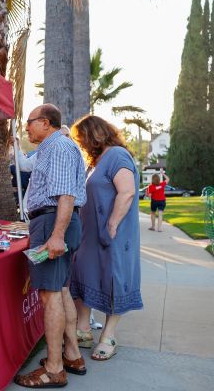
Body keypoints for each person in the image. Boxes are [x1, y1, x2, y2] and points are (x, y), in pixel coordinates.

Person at [14, 104, 87, 388]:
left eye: (30, 123)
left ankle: (54, 369)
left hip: (52, 223)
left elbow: (65, 195)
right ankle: (72, 355)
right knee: (62, 290)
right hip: (54, 222)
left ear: (45, 122)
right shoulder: (53, 146)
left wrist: (55, 235)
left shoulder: (58, 147)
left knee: (50, 295)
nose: (27, 128)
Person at [69, 115, 143, 362]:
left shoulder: (117, 156)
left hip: (114, 233)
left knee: (114, 279)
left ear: (95, 134)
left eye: (82, 137)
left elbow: (127, 191)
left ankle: (108, 336)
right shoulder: (97, 161)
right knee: (82, 275)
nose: (80, 143)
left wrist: (111, 224)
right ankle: (83, 330)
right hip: (89, 234)